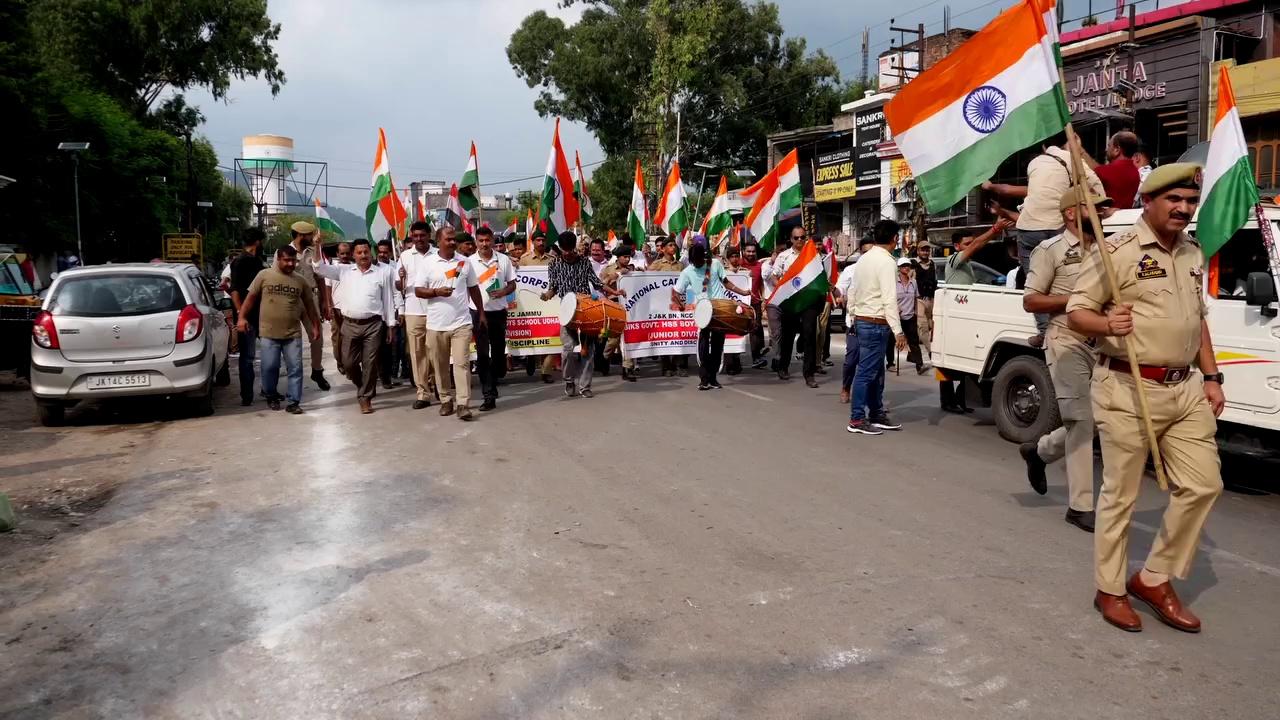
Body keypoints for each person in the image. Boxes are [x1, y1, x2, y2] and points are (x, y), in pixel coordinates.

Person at [1066, 163, 1225, 633]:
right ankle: (1110, 588)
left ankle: (1154, 578)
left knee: (1204, 485)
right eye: (1174, 200)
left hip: (1186, 390)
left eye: (1190, 201)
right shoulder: (1117, 251)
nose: (1183, 209)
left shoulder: (1192, 253)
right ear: (1150, 201)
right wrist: (1105, 325)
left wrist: (1212, 377)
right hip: (1127, 388)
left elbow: (1197, 321)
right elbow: (1077, 312)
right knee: (1122, 496)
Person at [1019, 186, 1115, 534]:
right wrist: (1076, 299)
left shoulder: (1110, 248)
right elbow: (1031, 301)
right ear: (1072, 212)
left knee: (1104, 417)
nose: (1103, 212)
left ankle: (1040, 451)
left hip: (1103, 342)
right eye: (1094, 206)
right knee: (1082, 420)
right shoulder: (1050, 250)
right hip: (1066, 340)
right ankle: (1080, 506)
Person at [983, 133, 1105, 341]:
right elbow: (1095, 181)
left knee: (1036, 285)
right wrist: (1102, 205)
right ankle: (1075, 322)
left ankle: (1044, 332)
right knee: (1066, 275)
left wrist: (990, 186)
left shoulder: (1035, 164)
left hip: (1028, 229)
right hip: (1058, 226)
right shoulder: (1072, 159)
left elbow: (1024, 192)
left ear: (1043, 147)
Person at [408, 226, 486, 421]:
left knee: (461, 364)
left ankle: (463, 404)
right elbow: (418, 291)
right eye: (449, 239)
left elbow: (474, 289)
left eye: (454, 239)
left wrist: (481, 312)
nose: (452, 242)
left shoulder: (464, 262)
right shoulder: (428, 263)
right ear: (439, 241)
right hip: (436, 325)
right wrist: (436, 292)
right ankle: (445, 400)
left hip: (461, 323)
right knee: (440, 365)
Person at [313, 239, 399, 415]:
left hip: (374, 325)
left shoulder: (383, 272)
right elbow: (318, 268)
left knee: (370, 362)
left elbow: (388, 300)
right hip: (350, 324)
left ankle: (365, 397)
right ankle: (363, 384)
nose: (363, 256)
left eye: (366, 252)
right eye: (359, 253)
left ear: (371, 253)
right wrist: (317, 246)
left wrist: (390, 325)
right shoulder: (344, 271)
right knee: (348, 363)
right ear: (353, 255)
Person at [235, 245, 321, 414]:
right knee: (269, 367)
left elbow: (310, 306)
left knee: (295, 368)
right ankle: (271, 395)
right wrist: (242, 317)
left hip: (293, 333)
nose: (291, 264)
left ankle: (294, 401)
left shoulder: (300, 281)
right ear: (278, 259)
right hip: (268, 333)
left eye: (293, 261)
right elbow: (250, 298)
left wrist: (315, 327)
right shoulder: (264, 276)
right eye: (287, 260)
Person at [540, 231, 623, 398]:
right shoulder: (554, 264)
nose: (568, 253)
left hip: (587, 310)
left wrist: (614, 291)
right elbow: (554, 287)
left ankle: (585, 386)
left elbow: (597, 283)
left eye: (570, 249)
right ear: (560, 248)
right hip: (567, 311)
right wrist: (547, 295)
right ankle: (569, 380)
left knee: (588, 351)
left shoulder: (584, 262)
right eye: (565, 250)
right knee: (568, 350)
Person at [846, 220, 907, 436]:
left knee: (876, 372)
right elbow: (889, 299)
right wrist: (898, 331)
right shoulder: (887, 262)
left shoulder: (865, 259)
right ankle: (857, 418)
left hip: (865, 320)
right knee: (866, 373)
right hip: (875, 322)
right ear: (894, 239)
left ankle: (876, 413)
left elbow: (852, 290)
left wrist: (852, 314)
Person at [673, 242, 752, 390]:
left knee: (717, 345)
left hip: (720, 309)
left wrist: (743, 292)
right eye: (695, 261)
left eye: (700, 260)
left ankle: (713, 378)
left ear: (704, 257)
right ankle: (704, 379)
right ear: (691, 259)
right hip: (702, 311)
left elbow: (726, 283)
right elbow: (677, 291)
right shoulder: (687, 272)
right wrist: (681, 305)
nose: (698, 263)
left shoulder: (715, 264)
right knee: (703, 346)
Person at [767, 226, 822, 386]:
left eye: (802, 237)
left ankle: (809, 374)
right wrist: (783, 290)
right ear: (791, 239)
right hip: (790, 301)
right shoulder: (784, 257)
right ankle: (783, 366)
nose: (799, 240)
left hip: (808, 301)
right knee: (788, 335)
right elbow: (774, 276)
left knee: (809, 334)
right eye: (796, 238)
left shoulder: (812, 256)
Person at [469, 226, 517, 411]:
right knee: (482, 354)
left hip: (498, 312)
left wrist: (504, 291)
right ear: (476, 242)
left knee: (497, 353)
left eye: (487, 240)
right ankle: (488, 394)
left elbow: (512, 284)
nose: (484, 244)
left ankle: (495, 378)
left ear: (492, 241)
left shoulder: (503, 260)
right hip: (477, 312)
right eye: (480, 241)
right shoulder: (469, 262)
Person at [287, 221, 332, 392]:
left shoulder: (313, 252)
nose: (312, 238)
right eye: (309, 235)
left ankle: (317, 370)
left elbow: (320, 277)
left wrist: (325, 302)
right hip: (290, 298)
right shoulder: (284, 252)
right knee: (292, 339)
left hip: (311, 298)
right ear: (300, 235)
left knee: (316, 336)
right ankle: (294, 373)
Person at [398, 222, 437, 409]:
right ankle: (423, 393)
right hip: (413, 310)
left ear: (429, 235)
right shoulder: (405, 256)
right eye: (415, 236)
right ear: (412, 237)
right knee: (417, 353)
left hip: (437, 310)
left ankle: (437, 384)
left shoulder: (438, 254)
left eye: (422, 235)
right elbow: (398, 286)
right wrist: (401, 278)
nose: (419, 239)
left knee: (435, 352)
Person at [229, 228, 267, 406]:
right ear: (258, 242)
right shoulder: (240, 262)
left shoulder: (257, 261)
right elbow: (235, 290)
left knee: (270, 353)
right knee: (247, 357)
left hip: (263, 314)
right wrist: (240, 315)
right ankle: (247, 395)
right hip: (248, 317)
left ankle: (267, 390)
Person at [519, 231, 558, 383]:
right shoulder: (525, 260)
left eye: (543, 240)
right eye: (538, 240)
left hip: (549, 303)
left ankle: (546, 371)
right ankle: (531, 357)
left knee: (551, 336)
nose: (541, 243)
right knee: (533, 335)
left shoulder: (553, 260)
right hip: (529, 303)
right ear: (533, 242)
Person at [835, 237, 870, 404]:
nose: (867, 256)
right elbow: (839, 288)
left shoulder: (880, 270)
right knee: (852, 359)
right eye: (864, 252)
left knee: (873, 364)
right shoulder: (850, 270)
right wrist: (838, 295)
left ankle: (873, 399)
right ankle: (846, 387)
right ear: (860, 253)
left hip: (875, 323)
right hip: (855, 322)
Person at [648, 237, 688, 378]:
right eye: (670, 245)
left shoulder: (681, 266)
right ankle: (666, 366)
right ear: (663, 249)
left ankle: (678, 365)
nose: (673, 248)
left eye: (674, 245)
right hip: (661, 305)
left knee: (679, 334)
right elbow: (646, 280)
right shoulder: (656, 265)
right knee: (664, 336)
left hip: (677, 304)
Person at [601, 245, 639, 381]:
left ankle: (627, 368)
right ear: (618, 257)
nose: (627, 259)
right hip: (614, 305)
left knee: (629, 336)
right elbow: (601, 285)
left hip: (630, 305)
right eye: (624, 257)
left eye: (629, 256)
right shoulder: (608, 269)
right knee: (614, 339)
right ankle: (604, 357)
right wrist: (616, 275)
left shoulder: (633, 269)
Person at [1083, 131, 1141, 210]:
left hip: (1105, 220)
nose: (1106, 149)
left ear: (1117, 150)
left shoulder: (1106, 171)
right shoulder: (1135, 172)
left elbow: (1094, 171)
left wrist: (1078, 150)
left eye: (1109, 145)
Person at [946, 220, 1012, 287]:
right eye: (967, 244)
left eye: (972, 243)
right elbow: (976, 244)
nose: (971, 246)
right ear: (956, 246)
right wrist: (995, 228)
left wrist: (997, 229)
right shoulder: (952, 259)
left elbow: (980, 243)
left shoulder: (968, 262)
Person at [376, 239, 405, 389]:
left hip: (391, 313)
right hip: (374, 314)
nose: (382, 255)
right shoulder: (372, 268)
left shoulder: (394, 268)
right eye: (379, 252)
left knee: (390, 346)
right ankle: (377, 374)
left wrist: (400, 310)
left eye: (385, 252)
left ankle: (387, 375)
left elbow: (397, 291)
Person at [889, 257, 925, 374]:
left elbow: (916, 298)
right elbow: (890, 299)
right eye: (903, 266)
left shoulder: (913, 282)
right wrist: (894, 310)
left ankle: (919, 363)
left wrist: (916, 313)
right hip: (897, 317)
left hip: (910, 316)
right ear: (899, 268)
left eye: (908, 266)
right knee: (891, 341)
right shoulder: (894, 282)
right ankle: (890, 363)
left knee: (914, 341)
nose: (906, 268)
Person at [740, 242, 769, 368]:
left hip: (755, 303)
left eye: (753, 251)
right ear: (743, 252)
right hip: (739, 304)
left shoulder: (759, 266)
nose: (751, 254)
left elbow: (761, 284)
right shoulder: (738, 264)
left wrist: (763, 299)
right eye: (748, 251)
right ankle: (733, 360)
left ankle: (756, 357)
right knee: (736, 330)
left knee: (756, 329)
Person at [327, 241, 352, 376]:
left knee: (350, 339)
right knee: (338, 338)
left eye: (347, 253)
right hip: (337, 308)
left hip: (351, 309)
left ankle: (350, 365)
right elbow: (327, 289)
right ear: (337, 254)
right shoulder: (333, 269)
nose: (345, 256)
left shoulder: (355, 268)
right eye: (342, 253)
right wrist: (329, 306)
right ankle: (340, 361)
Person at [913, 241, 937, 361]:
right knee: (923, 327)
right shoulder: (913, 264)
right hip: (919, 300)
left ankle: (913, 353)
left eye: (927, 250)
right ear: (918, 251)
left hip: (931, 300)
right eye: (923, 250)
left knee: (930, 326)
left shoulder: (932, 264)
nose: (925, 252)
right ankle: (931, 352)